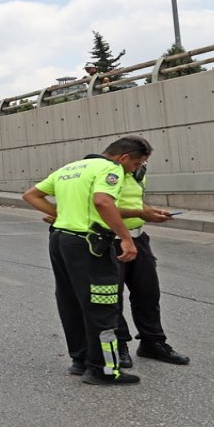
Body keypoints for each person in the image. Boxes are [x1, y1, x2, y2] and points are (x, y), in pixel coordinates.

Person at [22, 135, 151, 386]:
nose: (135, 170)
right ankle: (103, 369)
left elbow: (31, 195)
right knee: (103, 303)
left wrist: (60, 214)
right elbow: (103, 201)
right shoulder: (110, 169)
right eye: (136, 164)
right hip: (88, 244)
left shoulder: (70, 168)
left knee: (70, 300)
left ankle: (80, 360)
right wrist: (125, 238)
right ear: (123, 157)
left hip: (60, 240)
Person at [111, 162, 191, 367]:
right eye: (139, 161)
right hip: (110, 240)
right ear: (125, 157)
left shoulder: (137, 175)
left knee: (148, 293)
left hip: (138, 237)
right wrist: (139, 213)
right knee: (112, 297)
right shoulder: (107, 174)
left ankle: (152, 342)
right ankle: (119, 346)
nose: (142, 165)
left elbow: (135, 203)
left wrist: (151, 211)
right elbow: (102, 206)